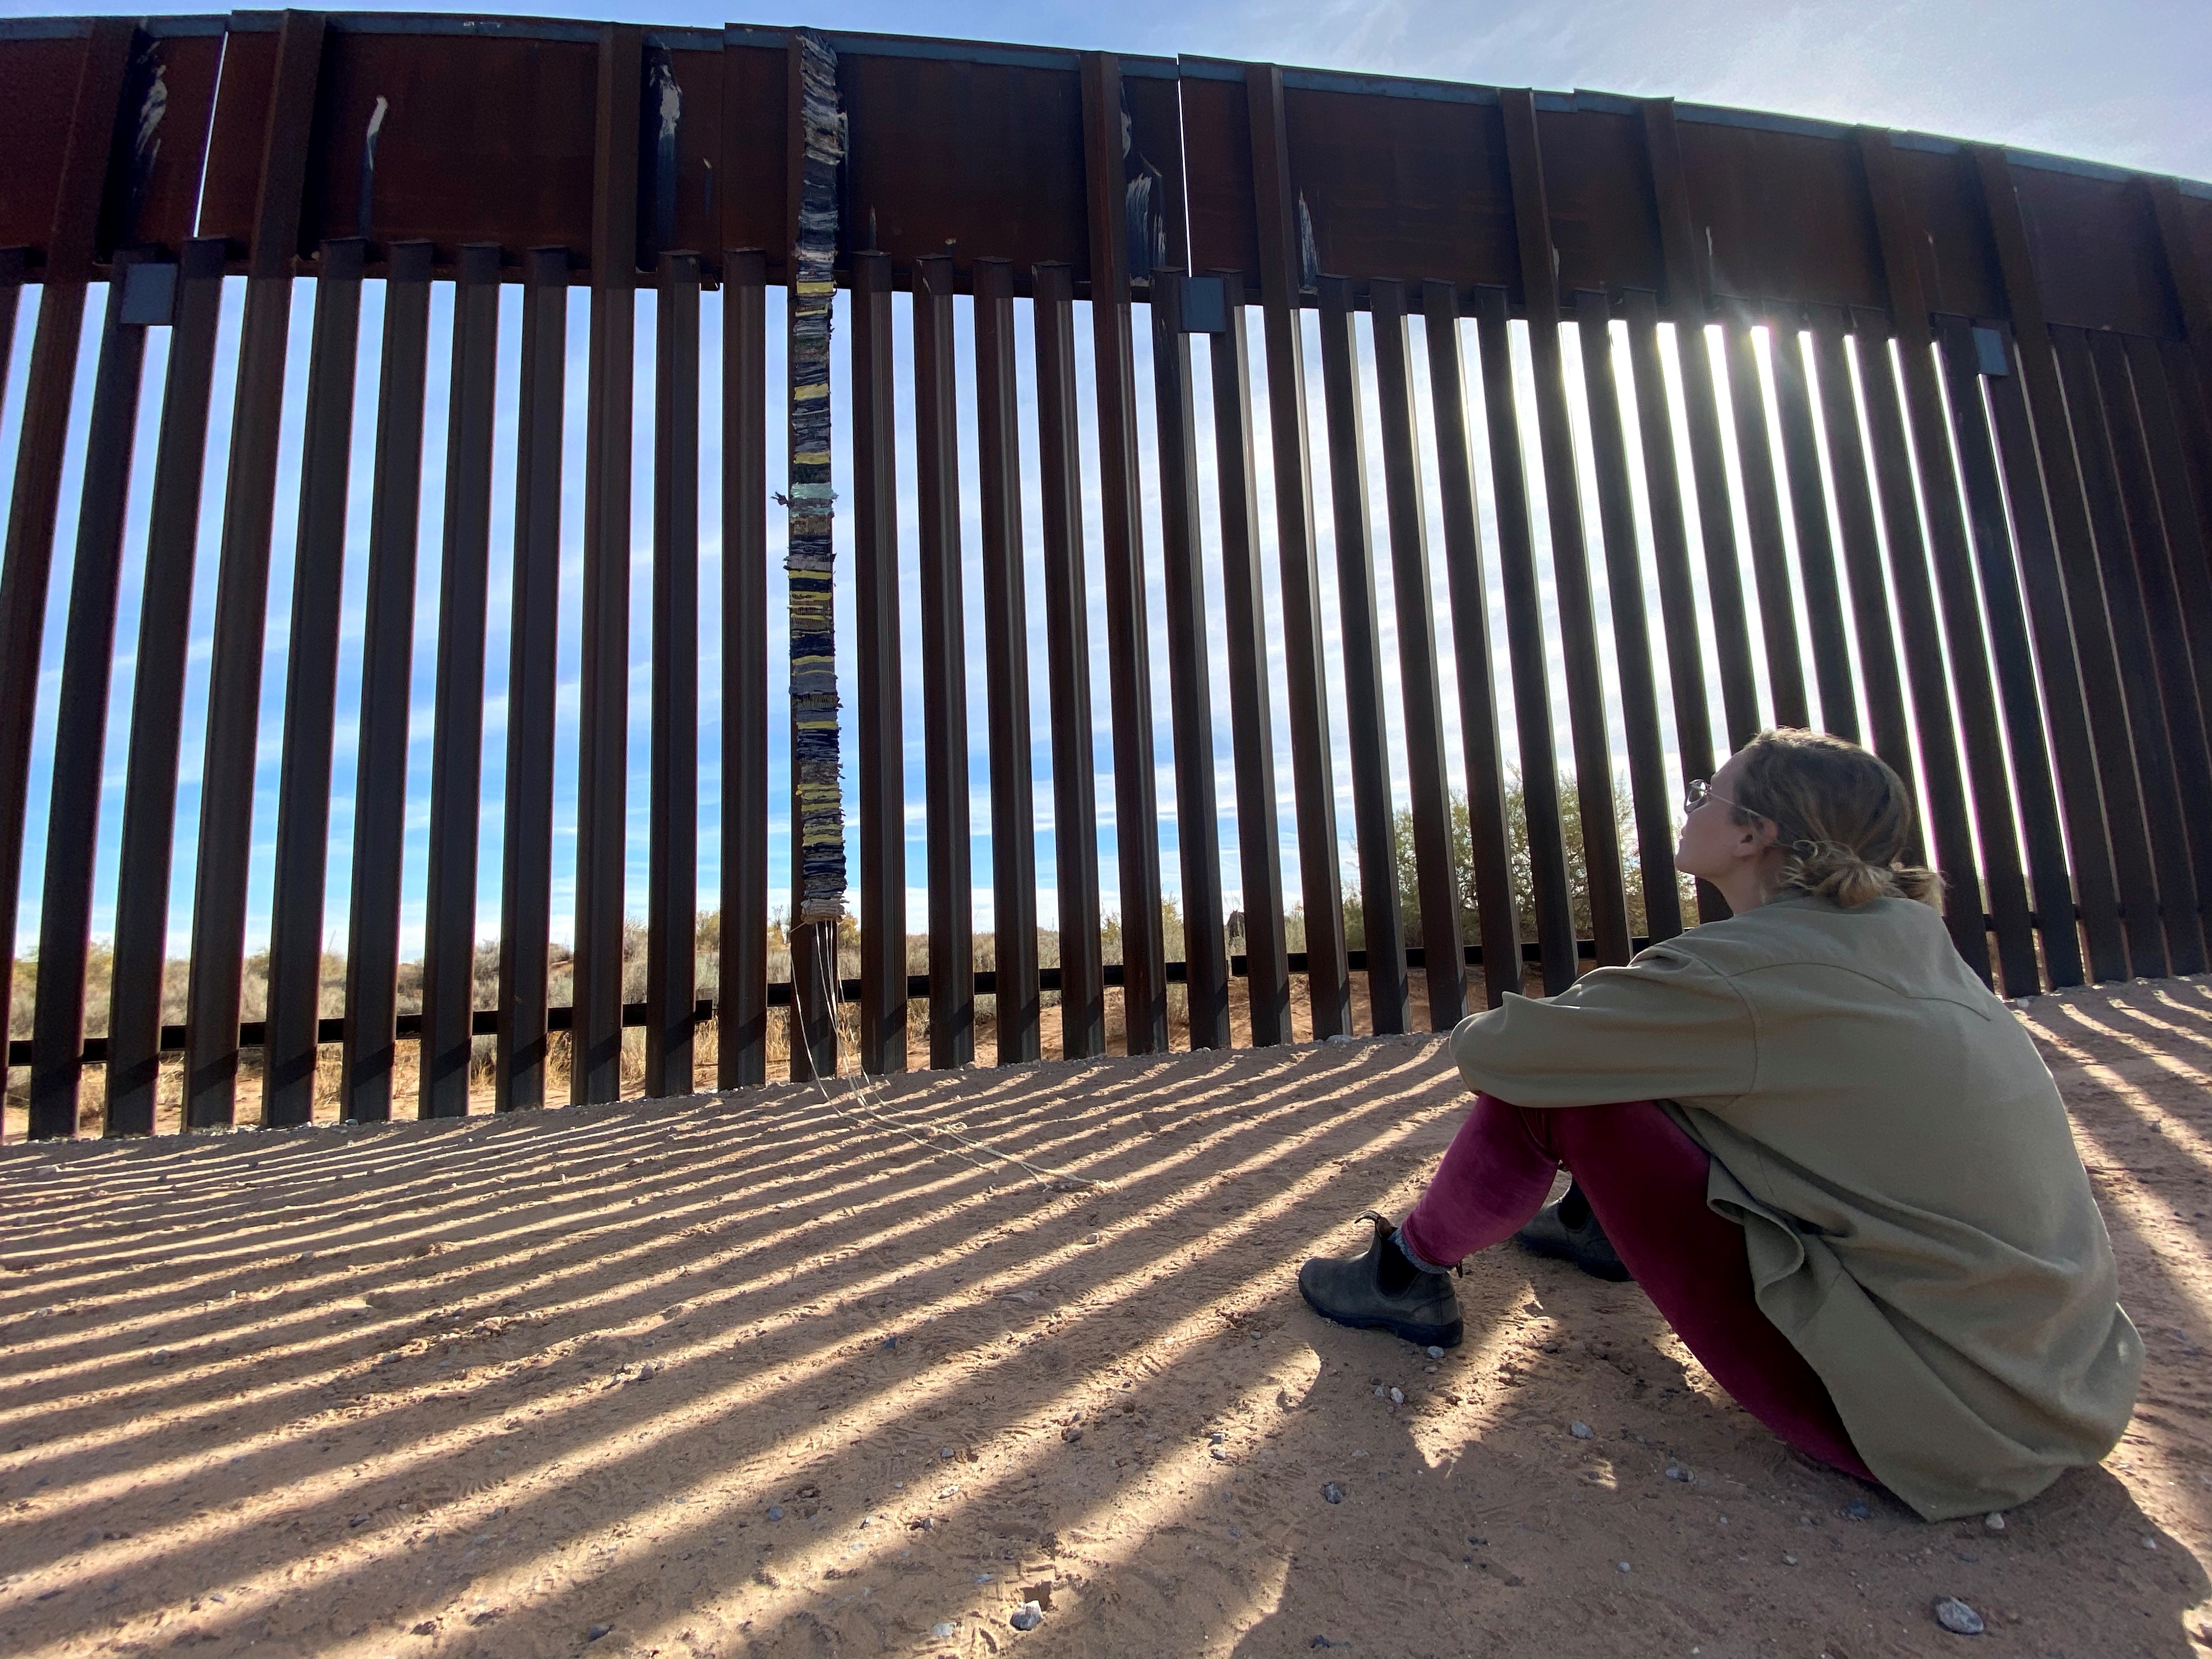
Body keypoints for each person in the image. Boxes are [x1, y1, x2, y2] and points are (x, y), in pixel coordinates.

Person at [1297, 729, 2140, 1521]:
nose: (1691, 806)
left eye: (1709, 793)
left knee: (1557, 1087)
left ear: (1753, 836)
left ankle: (1403, 1278)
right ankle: (1597, 1229)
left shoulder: (1745, 976)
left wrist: (1590, 1023)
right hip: (2066, 1387)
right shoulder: (1920, 947)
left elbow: (1500, 1054)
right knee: (1686, 1068)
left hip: (1934, 1426)